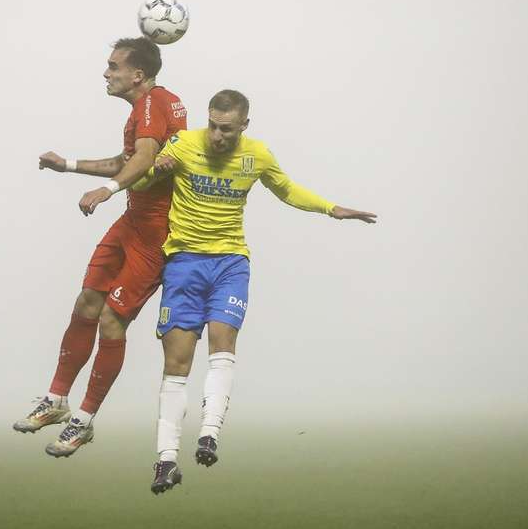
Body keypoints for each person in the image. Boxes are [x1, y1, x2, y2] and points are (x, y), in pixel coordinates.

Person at [131, 89, 376, 493]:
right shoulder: (184, 144)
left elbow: (287, 190)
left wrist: (332, 208)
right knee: (176, 364)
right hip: (184, 263)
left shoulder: (256, 155)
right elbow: (138, 180)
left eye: (226, 129)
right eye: (212, 125)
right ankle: (165, 459)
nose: (217, 135)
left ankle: (209, 434)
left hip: (230, 263)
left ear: (244, 126)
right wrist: (158, 170)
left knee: (222, 344)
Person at [12, 37, 187, 458]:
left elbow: (143, 158)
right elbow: (127, 160)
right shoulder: (149, 108)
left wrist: (107, 190)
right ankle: (55, 401)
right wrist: (68, 165)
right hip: (132, 222)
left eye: (113, 66)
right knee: (87, 301)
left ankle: (83, 421)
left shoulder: (153, 103)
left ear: (137, 75)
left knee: (111, 322)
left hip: (156, 236)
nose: (106, 73)